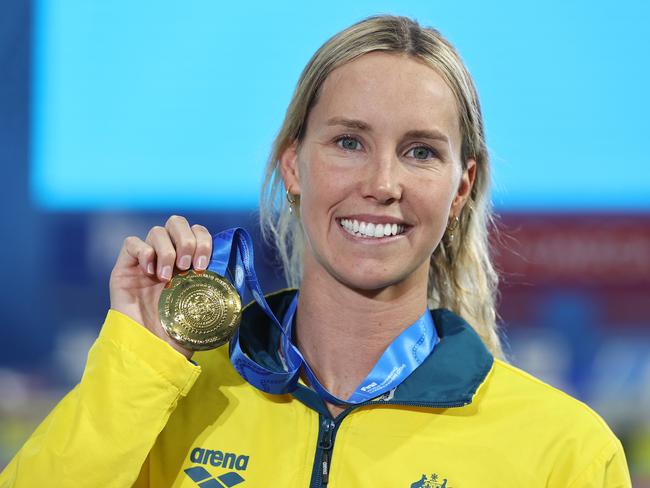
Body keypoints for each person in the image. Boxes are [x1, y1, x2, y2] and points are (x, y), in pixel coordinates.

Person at [0, 15, 632, 488]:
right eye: (349, 142)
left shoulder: (563, 450)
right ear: (293, 166)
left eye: (421, 152)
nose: (382, 184)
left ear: (461, 186)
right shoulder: (168, 405)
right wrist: (139, 358)